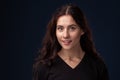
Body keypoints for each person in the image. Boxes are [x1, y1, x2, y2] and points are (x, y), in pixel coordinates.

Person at [33, 4, 109, 80]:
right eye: (60, 28)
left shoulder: (97, 66)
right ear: (55, 31)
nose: (65, 35)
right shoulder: (43, 67)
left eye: (72, 28)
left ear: (82, 30)